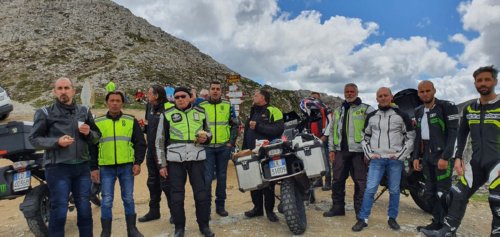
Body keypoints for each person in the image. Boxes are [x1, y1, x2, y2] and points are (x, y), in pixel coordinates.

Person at [422, 66, 500, 237]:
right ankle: (448, 231)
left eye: (487, 79)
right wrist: (458, 157)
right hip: (477, 162)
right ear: (475, 83)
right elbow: (462, 133)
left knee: (496, 200)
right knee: (456, 195)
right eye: (479, 80)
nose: (483, 83)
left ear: (495, 81)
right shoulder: (470, 108)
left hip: (498, 162)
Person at [29, 77, 101, 237]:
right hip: (57, 168)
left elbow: (97, 137)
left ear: (73, 91)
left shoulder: (84, 111)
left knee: (84, 208)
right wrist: (56, 141)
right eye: (59, 88)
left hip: (82, 168)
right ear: (54, 92)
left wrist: (89, 133)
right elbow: (34, 139)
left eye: (66, 88)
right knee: (59, 209)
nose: (63, 92)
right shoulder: (44, 113)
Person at [351, 87, 415, 232]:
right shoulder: (372, 116)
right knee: (370, 189)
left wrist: (400, 155)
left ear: (391, 97)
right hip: (377, 160)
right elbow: (364, 137)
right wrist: (369, 153)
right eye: (380, 96)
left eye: (386, 95)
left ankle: (392, 218)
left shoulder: (401, 115)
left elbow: (411, 137)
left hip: (395, 160)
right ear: (376, 98)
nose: (383, 98)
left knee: (394, 190)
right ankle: (363, 219)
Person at [156, 87, 214, 237]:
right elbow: (159, 141)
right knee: (176, 196)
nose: (180, 99)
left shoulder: (200, 113)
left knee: (201, 194)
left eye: (183, 96)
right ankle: (179, 228)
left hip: (197, 159)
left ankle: (204, 226)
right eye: (177, 97)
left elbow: (209, 132)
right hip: (175, 160)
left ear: (190, 98)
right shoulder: (167, 114)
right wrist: (162, 164)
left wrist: (206, 138)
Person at [90, 91, 146, 237]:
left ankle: (132, 230)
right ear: (106, 103)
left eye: (118, 100)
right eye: (112, 100)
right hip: (106, 168)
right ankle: (106, 231)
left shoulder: (130, 120)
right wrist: (94, 168)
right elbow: (92, 147)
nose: (115, 103)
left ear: (122, 103)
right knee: (107, 200)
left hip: (126, 167)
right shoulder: (98, 122)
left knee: (128, 198)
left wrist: (138, 162)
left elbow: (140, 143)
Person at [412, 81, 459, 233]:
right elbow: (418, 136)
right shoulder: (418, 110)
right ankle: (436, 222)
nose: (425, 94)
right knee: (429, 192)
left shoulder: (446, 106)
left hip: (442, 156)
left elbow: (453, 133)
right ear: (418, 94)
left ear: (434, 91)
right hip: (426, 156)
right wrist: (415, 157)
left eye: (427, 91)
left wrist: (446, 157)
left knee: (443, 193)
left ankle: (448, 227)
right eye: (421, 91)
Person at [324, 83, 375, 217]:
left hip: (359, 152)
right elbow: (332, 130)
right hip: (340, 151)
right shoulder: (338, 110)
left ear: (357, 93)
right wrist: (331, 150)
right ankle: (338, 208)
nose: (349, 94)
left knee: (360, 182)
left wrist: (369, 151)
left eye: (352, 91)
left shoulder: (366, 109)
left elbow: (375, 130)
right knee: (337, 181)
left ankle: (360, 212)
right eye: (347, 92)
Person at [243, 89, 284, 222]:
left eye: (255, 95)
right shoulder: (253, 111)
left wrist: (259, 126)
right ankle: (257, 209)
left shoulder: (274, 110)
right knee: (254, 181)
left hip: (267, 153)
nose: (253, 97)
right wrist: (244, 151)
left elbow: (279, 130)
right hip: (252, 152)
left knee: (268, 182)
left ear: (263, 97)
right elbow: (247, 132)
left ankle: (270, 211)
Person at [200, 81, 239, 217]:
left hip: (223, 147)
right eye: (213, 89)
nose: (215, 91)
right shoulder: (202, 105)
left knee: (222, 177)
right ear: (209, 90)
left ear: (221, 91)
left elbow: (235, 125)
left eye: (218, 89)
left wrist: (231, 143)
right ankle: (206, 207)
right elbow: (197, 125)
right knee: (207, 177)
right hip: (207, 148)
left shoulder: (228, 105)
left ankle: (220, 206)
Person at [139, 85, 173, 223]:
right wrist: (142, 127)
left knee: (166, 184)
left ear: (157, 95)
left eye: (149, 93)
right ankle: (154, 211)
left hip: (164, 152)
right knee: (152, 182)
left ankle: (174, 213)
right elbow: (148, 127)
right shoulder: (149, 106)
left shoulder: (169, 108)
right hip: (151, 152)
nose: (147, 95)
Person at [303, 92, 332, 191]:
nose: (313, 98)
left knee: (325, 160)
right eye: (312, 97)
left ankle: (328, 182)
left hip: (323, 138)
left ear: (320, 98)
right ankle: (318, 181)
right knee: (316, 160)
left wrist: (325, 136)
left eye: (315, 97)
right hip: (313, 139)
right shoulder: (309, 110)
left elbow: (331, 122)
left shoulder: (326, 108)